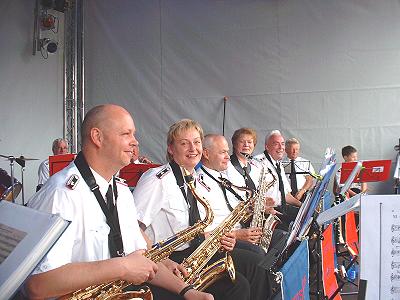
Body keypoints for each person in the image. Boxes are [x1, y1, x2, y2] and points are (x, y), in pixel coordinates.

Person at [26, 105, 212, 300]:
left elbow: (139, 258)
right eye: (126, 134)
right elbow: (37, 285)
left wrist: (187, 292)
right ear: (97, 137)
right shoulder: (60, 194)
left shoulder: (121, 191)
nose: (135, 142)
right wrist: (121, 267)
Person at [133, 120, 271, 300]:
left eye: (197, 142)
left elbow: (193, 228)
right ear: (170, 149)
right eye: (184, 143)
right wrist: (162, 261)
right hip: (172, 257)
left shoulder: (194, 180)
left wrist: (219, 238)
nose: (193, 148)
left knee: (257, 263)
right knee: (237, 287)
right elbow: (134, 229)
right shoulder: (157, 179)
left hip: (197, 249)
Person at [198, 134, 276, 254]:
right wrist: (237, 235)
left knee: (280, 238)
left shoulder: (221, 176)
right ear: (206, 154)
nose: (227, 157)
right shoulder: (199, 183)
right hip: (223, 242)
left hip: (239, 230)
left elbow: (235, 208)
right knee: (260, 256)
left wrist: (256, 207)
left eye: (227, 152)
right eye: (222, 152)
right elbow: (206, 230)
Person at [253, 130, 302, 229]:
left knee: (310, 217)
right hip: (268, 212)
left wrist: (302, 205)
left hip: (282, 208)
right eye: (276, 144)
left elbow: (286, 194)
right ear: (267, 147)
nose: (281, 148)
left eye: (282, 144)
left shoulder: (278, 164)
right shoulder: (257, 162)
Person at [225, 128, 262, 200]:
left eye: (250, 142)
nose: (246, 145)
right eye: (242, 141)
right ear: (234, 144)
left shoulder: (256, 169)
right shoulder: (226, 166)